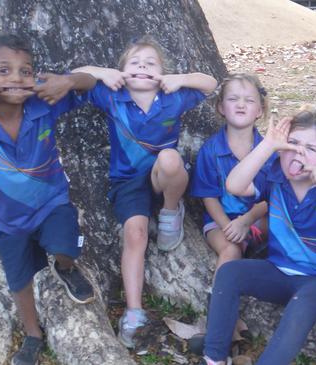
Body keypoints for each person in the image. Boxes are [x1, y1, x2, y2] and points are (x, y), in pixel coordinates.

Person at [199, 109, 316, 365]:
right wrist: (267, 146)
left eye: (311, 148)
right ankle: (214, 358)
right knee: (230, 273)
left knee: (301, 305)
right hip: (279, 270)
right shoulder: (274, 176)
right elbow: (234, 185)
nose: (299, 153)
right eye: (293, 144)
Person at [0, 33, 97, 365]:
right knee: (18, 280)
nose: (16, 79)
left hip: (54, 205)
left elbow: (90, 82)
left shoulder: (42, 104)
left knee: (69, 244)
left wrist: (67, 81)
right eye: (3, 70)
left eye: (25, 71)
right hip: (10, 220)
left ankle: (65, 267)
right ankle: (33, 335)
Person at [73, 35, 217, 348]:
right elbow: (73, 77)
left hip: (163, 179)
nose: (143, 67)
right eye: (135, 63)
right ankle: (134, 311)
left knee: (169, 158)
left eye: (151, 63)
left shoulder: (173, 98)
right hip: (127, 182)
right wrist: (101, 72)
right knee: (135, 234)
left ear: (162, 73)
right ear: (122, 72)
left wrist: (177, 79)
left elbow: (210, 83)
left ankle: (170, 212)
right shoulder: (112, 96)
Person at [190, 74, 271, 340]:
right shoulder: (210, 150)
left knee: (279, 234)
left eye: (249, 100)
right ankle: (222, 323)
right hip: (221, 220)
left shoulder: (269, 151)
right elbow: (208, 197)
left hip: (260, 218)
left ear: (259, 111)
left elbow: (275, 198)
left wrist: (248, 219)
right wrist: (228, 226)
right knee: (230, 250)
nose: (240, 104)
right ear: (221, 107)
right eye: (233, 99)